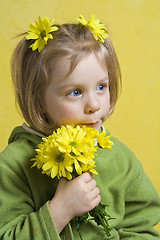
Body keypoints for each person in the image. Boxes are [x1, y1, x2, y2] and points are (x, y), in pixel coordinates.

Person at [0, 15, 159, 240]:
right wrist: (60, 210)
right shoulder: (13, 166)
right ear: (38, 101)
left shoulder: (120, 159)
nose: (94, 105)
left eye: (102, 87)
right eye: (75, 92)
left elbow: (142, 228)